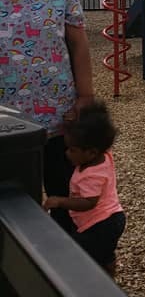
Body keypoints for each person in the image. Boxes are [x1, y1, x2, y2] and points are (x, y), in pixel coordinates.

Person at [0, 0, 95, 234]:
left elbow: (79, 46)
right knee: (10, 203)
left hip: (57, 118)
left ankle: (69, 257)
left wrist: (85, 97)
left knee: (65, 196)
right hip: (5, 125)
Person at [43, 100, 125, 277]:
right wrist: (73, 123)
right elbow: (100, 133)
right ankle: (109, 275)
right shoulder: (104, 154)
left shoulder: (91, 175)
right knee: (103, 254)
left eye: (72, 150)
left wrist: (60, 201)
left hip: (100, 225)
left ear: (91, 152)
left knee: (80, 254)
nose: (67, 153)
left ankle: (93, 283)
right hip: (110, 218)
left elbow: (88, 202)